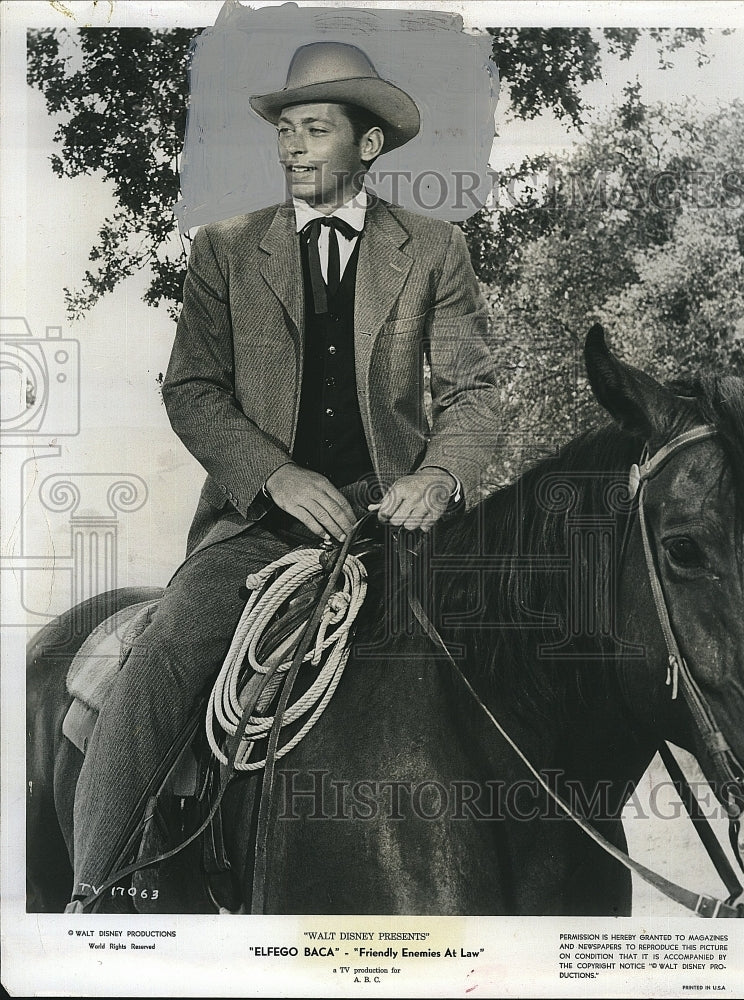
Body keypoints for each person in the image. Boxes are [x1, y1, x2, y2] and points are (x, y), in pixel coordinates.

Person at [69, 40, 500, 908]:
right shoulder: (225, 250)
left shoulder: (433, 247)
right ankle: (96, 892)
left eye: (314, 129)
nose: (292, 147)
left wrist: (440, 475)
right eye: (286, 130)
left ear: (367, 147)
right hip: (257, 528)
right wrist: (274, 476)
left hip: (400, 523)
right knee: (162, 658)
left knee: (526, 645)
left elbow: (474, 392)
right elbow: (191, 389)